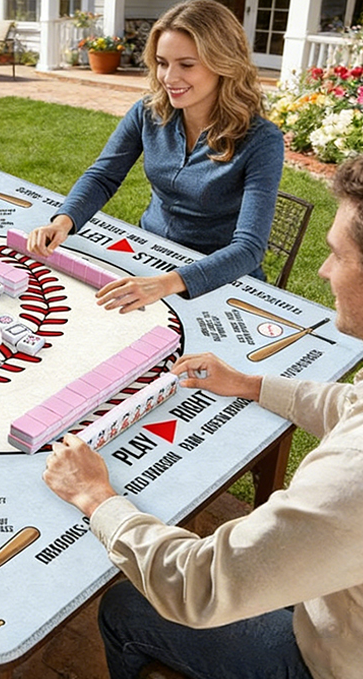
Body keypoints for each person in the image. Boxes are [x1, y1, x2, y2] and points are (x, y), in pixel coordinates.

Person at [42, 152, 363, 679]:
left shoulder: (350, 476)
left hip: (330, 661)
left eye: (337, 255)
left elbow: (198, 588)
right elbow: (350, 405)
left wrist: (95, 496)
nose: (324, 270)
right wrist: (251, 383)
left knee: (127, 607)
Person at [27, 0, 284, 312]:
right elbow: (103, 176)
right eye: (162, 63)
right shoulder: (148, 113)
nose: (169, 77)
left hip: (219, 279)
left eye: (186, 65)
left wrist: (165, 284)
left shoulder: (262, 140)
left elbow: (249, 250)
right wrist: (64, 221)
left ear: (223, 63)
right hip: (147, 257)